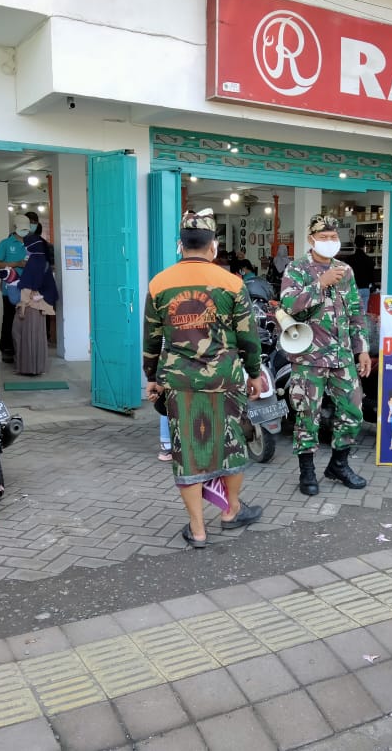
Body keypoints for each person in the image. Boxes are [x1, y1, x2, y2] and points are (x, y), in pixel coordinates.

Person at [143, 208, 264, 548]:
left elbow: (152, 339)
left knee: (187, 452)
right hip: (225, 380)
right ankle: (231, 511)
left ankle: (197, 530)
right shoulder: (232, 283)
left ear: (180, 245)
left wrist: (151, 376)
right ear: (213, 245)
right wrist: (255, 374)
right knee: (231, 445)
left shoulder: (159, 283)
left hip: (179, 382)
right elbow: (248, 337)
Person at [280, 214, 371, 496]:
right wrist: (319, 283)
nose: (330, 241)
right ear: (311, 239)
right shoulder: (297, 268)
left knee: (353, 411)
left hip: (342, 356)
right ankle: (307, 472)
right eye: (324, 237)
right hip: (309, 357)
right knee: (308, 415)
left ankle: (338, 465)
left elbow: (356, 312)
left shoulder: (346, 270)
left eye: (333, 237)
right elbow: (288, 304)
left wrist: (362, 349)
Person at [13, 229, 59, 375]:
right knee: (38, 336)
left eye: (26, 246)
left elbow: (28, 286)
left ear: (31, 246)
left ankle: (28, 367)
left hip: (31, 306)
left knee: (26, 336)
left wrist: (22, 306)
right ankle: (38, 367)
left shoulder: (34, 261)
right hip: (40, 304)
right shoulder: (43, 259)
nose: (25, 249)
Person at [0, 216, 29, 364]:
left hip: (28, 288)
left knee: (26, 318)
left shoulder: (31, 243)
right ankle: (7, 349)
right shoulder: (6, 243)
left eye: (27, 228)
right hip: (10, 288)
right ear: (15, 227)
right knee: (9, 318)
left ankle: (24, 349)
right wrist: (17, 263)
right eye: (22, 228)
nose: (25, 231)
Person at [344, 234, 376, 315]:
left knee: (352, 313)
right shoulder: (369, 260)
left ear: (355, 244)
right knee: (363, 313)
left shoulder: (349, 260)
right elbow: (372, 278)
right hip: (365, 289)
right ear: (364, 245)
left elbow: (345, 276)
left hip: (353, 289)